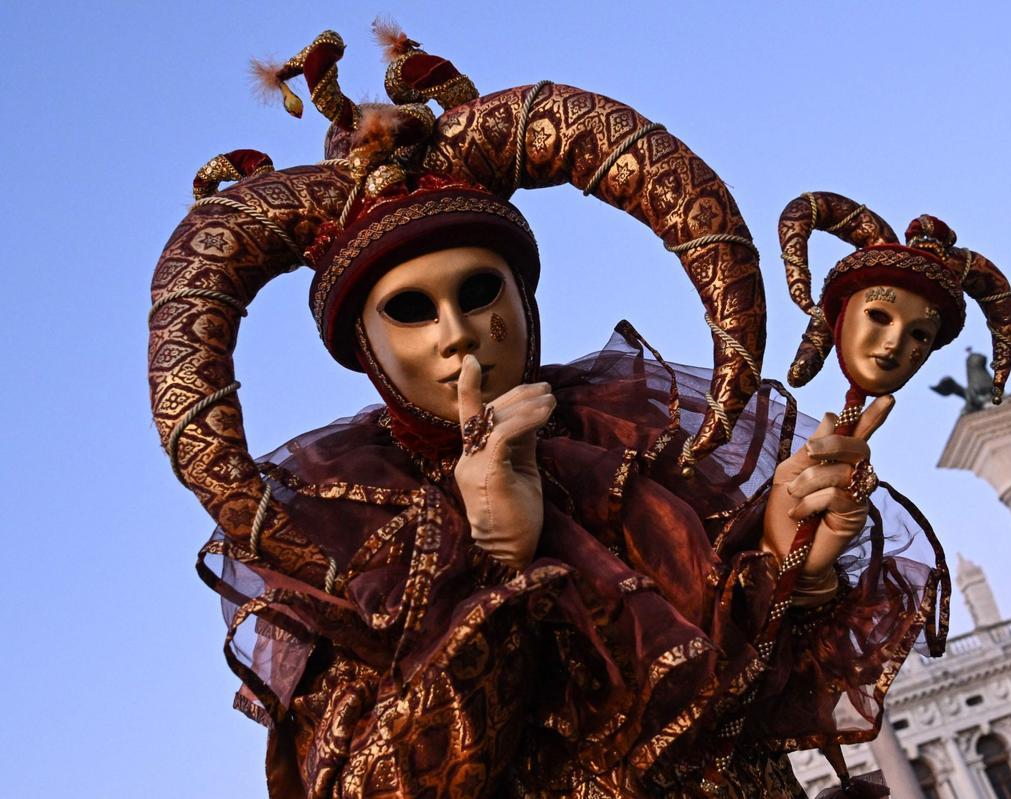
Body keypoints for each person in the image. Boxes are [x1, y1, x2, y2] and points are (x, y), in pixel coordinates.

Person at [149, 28, 949, 798]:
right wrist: (497, 563)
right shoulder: (349, 543)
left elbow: (730, 704)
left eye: (477, 291)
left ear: (525, 302)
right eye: (410, 311)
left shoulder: (635, 454)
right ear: (367, 347)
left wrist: (785, 552)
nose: (458, 332)